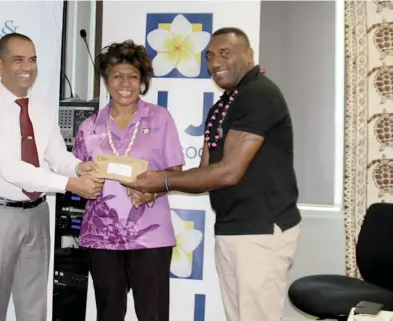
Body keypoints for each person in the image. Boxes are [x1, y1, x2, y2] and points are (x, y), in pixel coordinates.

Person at [123, 27, 302, 321]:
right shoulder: (222, 106)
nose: (215, 62)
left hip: (261, 229)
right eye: (209, 56)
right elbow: (207, 173)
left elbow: (229, 172)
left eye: (225, 53)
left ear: (249, 54)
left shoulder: (259, 94)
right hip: (232, 228)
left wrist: (161, 179)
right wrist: (156, 188)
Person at [0, 32, 105, 321]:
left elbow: (57, 157)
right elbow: (11, 169)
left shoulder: (40, 107)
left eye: (32, 59)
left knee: (35, 307)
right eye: (18, 59)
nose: (27, 67)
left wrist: (80, 168)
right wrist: (70, 184)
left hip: (37, 216)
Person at [71, 40, 184, 321]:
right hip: (101, 237)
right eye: (117, 76)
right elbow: (76, 173)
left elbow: (177, 173)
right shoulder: (90, 126)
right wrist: (85, 182)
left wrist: (152, 192)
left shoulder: (160, 119)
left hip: (150, 235)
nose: (125, 83)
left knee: (153, 315)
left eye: (133, 76)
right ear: (106, 81)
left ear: (142, 81)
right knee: (109, 314)